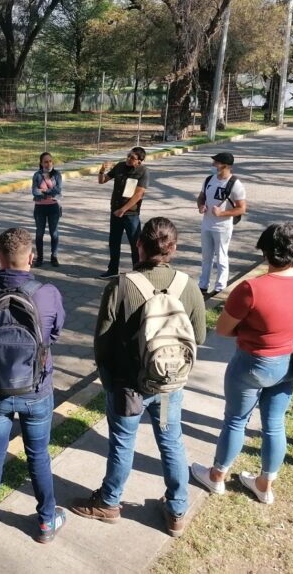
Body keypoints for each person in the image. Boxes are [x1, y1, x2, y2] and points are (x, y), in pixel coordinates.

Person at [71, 217, 206, 537]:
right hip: (168, 385)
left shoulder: (120, 286)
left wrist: (108, 379)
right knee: (171, 442)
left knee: (122, 444)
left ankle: (109, 502)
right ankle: (176, 509)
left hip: (128, 387)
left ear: (139, 245)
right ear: (173, 247)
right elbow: (198, 336)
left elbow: (101, 342)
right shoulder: (188, 286)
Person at [192, 223, 293, 504]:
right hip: (290, 363)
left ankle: (217, 476)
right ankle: (265, 483)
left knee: (236, 420)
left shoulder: (251, 288)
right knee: (274, 424)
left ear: (266, 252)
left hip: (252, 363)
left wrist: (251, 330)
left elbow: (224, 330)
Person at [0, 227, 67, 544]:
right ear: (31, 257)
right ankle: (45, 522)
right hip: (36, 387)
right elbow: (53, 335)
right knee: (38, 455)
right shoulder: (48, 293)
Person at [196, 152, 247, 294]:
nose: (213, 165)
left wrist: (222, 213)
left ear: (224, 165)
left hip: (223, 227)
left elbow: (241, 208)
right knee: (206, 257)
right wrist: (201, 206)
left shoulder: (235, 184)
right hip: (207, 224)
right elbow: (201, 197)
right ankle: (203, 285)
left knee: (221, 257)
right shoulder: (208, 180)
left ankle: (219, 287)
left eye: (216, 162)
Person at [97, 146, 149, 278]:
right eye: (128, 155)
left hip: (131, 215)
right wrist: (102, 170)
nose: (128, 159)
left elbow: (139, 194)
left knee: (135, 244)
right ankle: (112, 269)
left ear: (139, 161)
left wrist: (123, 210)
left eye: (132, 158)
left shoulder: (143, 172)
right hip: (115, 212)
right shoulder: (120, 166)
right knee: (114, 242)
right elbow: (102, 181)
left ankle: (137, 272)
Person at [32, 152, 63, 268]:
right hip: (40, 208)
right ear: (41, 163)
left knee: (54, 233)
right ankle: (39, 258)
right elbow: (34, 192)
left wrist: (43, 192)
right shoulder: (37, 175)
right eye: (46, 161)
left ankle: (54, 256)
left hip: (53, 207)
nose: (49, 163)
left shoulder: (57, 175)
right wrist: (50, 193)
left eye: (50, 161)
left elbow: (58, 190)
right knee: (39, 234)